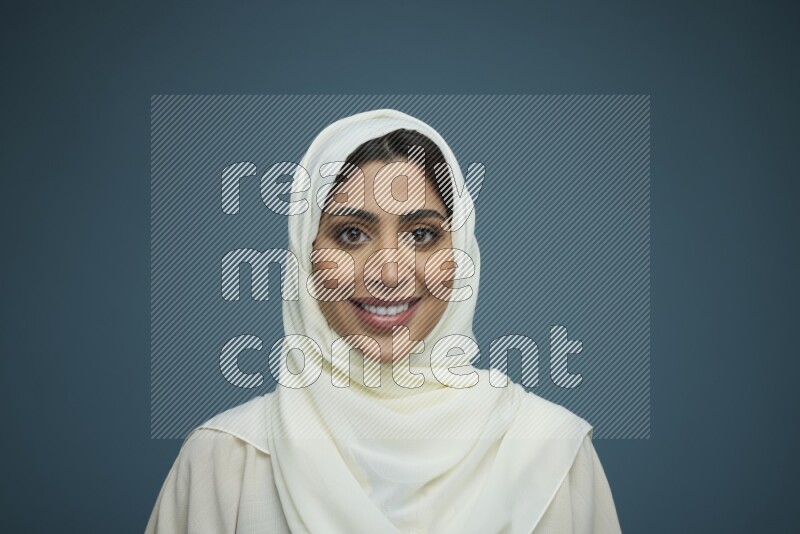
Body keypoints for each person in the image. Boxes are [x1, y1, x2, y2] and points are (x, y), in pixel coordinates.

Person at [145, 109, 622, 533]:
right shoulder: (227, 460)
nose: (389, 270)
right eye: (351, 234)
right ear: (305, 254)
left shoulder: (549, 453)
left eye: (421, 234)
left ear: (459, 253)